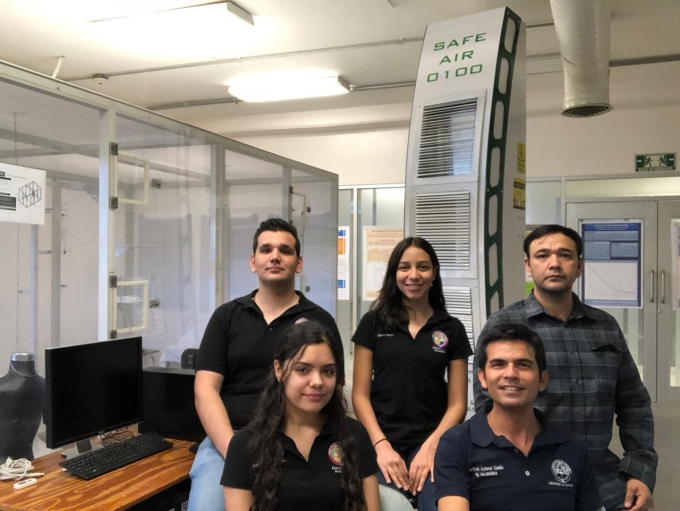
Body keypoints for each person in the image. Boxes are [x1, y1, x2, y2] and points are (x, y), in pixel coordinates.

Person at [474, 224, 657, 511]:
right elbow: (487, 407)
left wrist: (639, 470)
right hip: (529, 475)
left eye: (565, 255)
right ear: (528, 265)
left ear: (579, 266)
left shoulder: (605, 327)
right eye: (543, 255)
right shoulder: (504, 326)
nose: (554, 263)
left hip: (600, 476)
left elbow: (634, 403)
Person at [188, 218, 344, 511]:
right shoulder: (226, 317)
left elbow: (331, 389)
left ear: (298, 263)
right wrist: (235, 453)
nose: (275, 256)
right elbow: (205, 390)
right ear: (253, 261)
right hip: (228, 440)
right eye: (266, 249)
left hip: (297, 444)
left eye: (285, 250)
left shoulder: (319, 322)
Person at [352, 236, 471, 511]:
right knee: (391, 505)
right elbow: (359, 395)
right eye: (404, 267)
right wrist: (380, 445)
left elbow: (458, 404)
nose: (413, 275)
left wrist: (432, 447)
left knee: (435, 503)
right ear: (394, 273)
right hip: (381, 439)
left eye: (423, 267)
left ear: (434, 273)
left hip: (433, 440)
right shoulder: (373, 323)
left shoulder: (451, 328)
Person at [435, 323, 605, 511]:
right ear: (482, 378)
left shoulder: (573, 448)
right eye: (498, 364)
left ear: (542, 379)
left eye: (523, 365)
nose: (510, 374)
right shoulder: (456, 445)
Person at [221, 320, 380, 511]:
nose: (317, 381)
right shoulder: (245, 445)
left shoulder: (355, 435)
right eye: (303, 370)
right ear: (279, 370)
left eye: (328, 371)